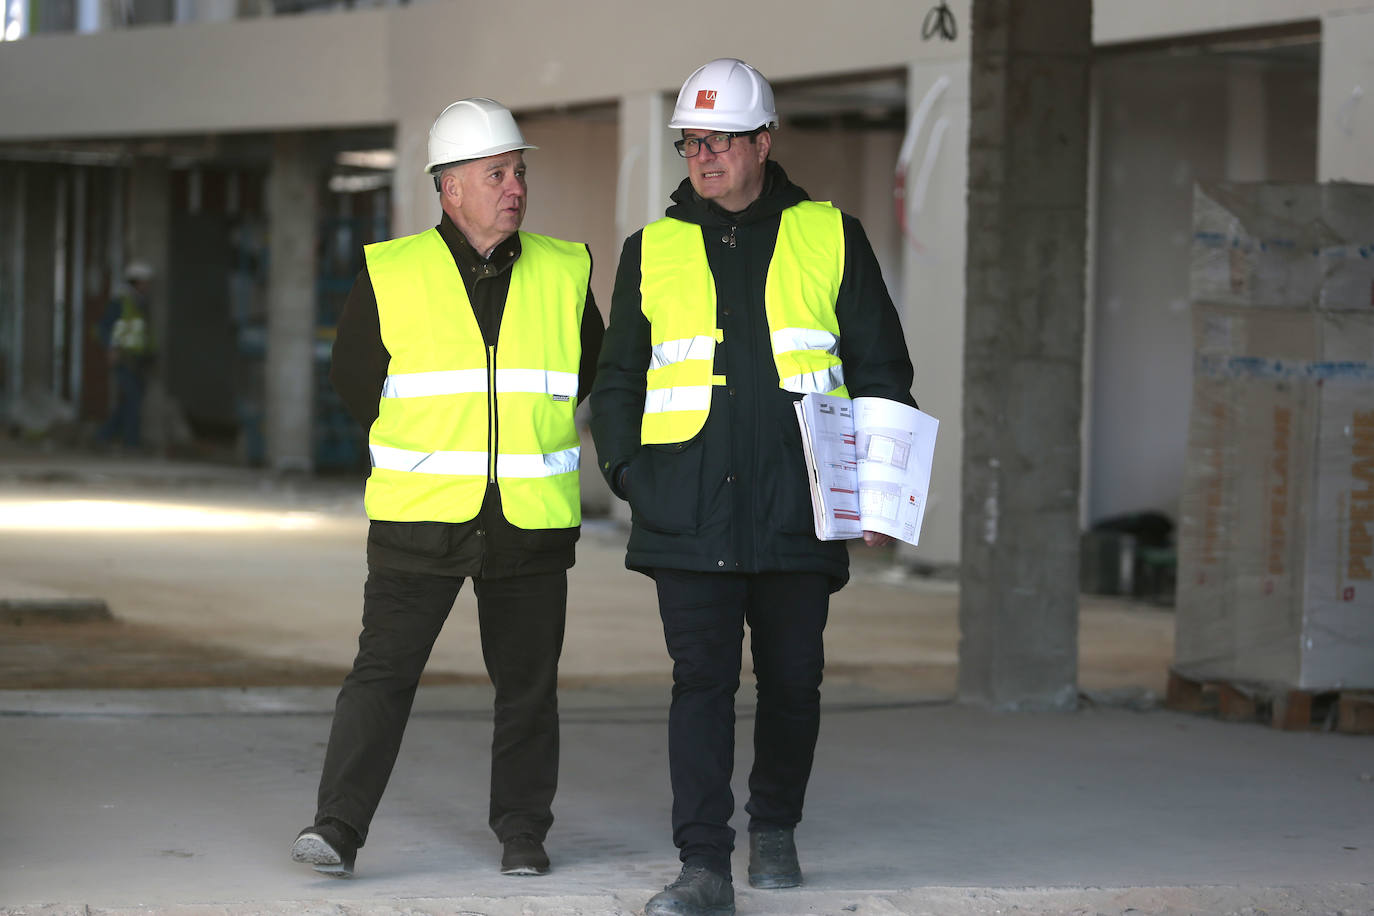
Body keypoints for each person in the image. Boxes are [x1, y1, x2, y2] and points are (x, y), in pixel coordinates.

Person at [590, 59, 916, 916]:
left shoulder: (830, 235)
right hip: (686, 506)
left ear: (763, 142)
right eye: (691, 142)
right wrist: (631, 473)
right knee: (700, 681)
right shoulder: (650, 250)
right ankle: (704, 863)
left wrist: (877, 494)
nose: (703, 157)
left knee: (793, 679)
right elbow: (618, 376)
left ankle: (775, 824)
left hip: (799, 504)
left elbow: (882, 368)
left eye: (720, 140)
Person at [291, 98, 603, 879]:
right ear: (450, 187)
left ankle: (524, 833)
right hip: (420, 517)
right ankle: (336, 828)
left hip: (528, 517)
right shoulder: (390, 271)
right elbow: (356, 382)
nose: (515, 187)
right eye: (497, 173)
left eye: (519, 172)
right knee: (383, 676)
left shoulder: (566, 269)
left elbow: (583, 370)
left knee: (528, 690)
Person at [96, 260, 156, 449]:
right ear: (136, 282)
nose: (148, 286)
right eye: (145, 282)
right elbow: (104, 327)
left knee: (131, 401)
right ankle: (131, 443)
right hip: (123, 358)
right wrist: (111, 349)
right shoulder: (121, 301)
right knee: (134, 400)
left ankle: (103, 436)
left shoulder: (141, 302)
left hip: (137, 359)